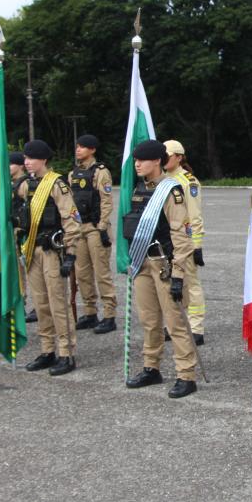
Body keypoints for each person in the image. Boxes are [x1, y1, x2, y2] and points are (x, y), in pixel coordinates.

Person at [123, 140, 200, 398]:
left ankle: (186, 375)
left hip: (164, 264)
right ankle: (151, 367)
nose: (137, 164)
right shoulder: (138, 189)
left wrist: (179, 274)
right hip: (142, 262)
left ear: (157, 161)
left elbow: (181, 236)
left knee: (175, 322)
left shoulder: (171, 191)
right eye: (135, 160)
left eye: (142, 160)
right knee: (149, 320)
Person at [14, 139, 81, 376]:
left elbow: (71, 220)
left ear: (43, 159)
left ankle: (66, 352)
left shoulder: (57, 185)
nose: (26, 162)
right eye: (25, 158)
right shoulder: (26, 185)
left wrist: (70, 254)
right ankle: (47, 349)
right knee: (40, 303)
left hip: (53, 251)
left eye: (31, 158)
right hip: (33, 250)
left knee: (57, 304)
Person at [68, 134, 118, 334]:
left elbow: (106, 201)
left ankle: (109, 315)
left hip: (96, 228)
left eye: (82, 147)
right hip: (80, 228)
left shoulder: (100, 172)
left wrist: (102, 226)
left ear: (92, 150)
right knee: (82, 273)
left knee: (101, 273)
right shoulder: (73, 174)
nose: (78, 149)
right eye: (77, 146)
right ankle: (89, 312)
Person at [163, 139, 206, 345]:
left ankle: (196, 328)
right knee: (169, 283)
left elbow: (194, 216)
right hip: (165, 240)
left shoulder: (188, 181)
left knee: (190, 284)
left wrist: (196, 245)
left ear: (179, 157)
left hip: (184, 240)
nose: (163, 160)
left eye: (168, 156)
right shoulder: (160, 179)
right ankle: (175, 325)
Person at [10, 151, 37, 323]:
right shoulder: (9, 184)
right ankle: (20, 303)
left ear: (20, 165)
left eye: (10, 164)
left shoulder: (27, 184)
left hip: (25, 233)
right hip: (12, 232)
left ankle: (36, 305)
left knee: (30, 270)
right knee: (17, 272)